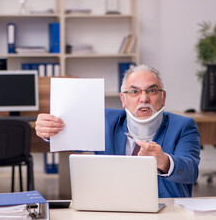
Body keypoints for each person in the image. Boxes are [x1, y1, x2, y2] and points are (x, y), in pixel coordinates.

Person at [35, 64, 200, 198]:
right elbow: (69, 132)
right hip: (114, 208)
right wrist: (49, 130)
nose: (144, 98)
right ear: (123, 99)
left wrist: (164, 161)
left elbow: (191, 171)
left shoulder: (183, 126)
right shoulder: (106, 120)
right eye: (134, 92)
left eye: (152, 91)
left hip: (167, 211)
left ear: (163, 97)